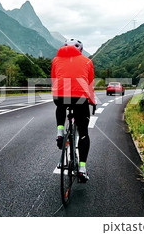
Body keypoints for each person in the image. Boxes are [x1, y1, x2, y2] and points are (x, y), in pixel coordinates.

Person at [51, 38, 96, 183]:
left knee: (60, 106)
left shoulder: (55, 60)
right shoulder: (87, 61)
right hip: (79, 98)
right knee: (83, 133)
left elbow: (54, 80)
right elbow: (89, 85)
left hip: (60, 95)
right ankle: (82, 169)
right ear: (80, 50)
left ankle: (59, 133)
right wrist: (92, 102)